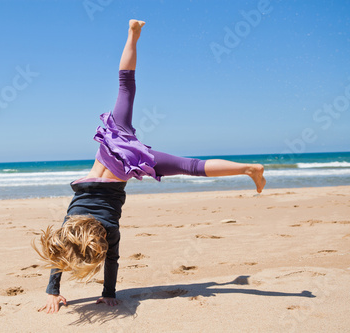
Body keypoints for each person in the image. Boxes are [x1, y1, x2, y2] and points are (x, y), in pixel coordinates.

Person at [32, 19, 266, 314]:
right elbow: (62, 249)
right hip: (113, 145)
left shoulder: (107, 231)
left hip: (127, 166)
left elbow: (108, 259)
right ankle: (133, 33)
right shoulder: (69, 225)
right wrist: (59, 289)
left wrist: (104, 293)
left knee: (190, 166)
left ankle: (248, 170)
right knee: (125, 85)